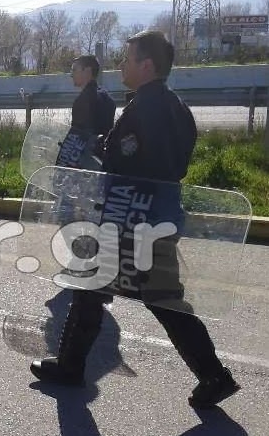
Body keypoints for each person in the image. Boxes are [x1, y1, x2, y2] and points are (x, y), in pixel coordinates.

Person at [29, 31, 240, 410]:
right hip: (157, 215)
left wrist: (102, 156)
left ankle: (72, 366)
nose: (121, 65)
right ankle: (213, 376)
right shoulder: (175, 106)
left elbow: (131, 164)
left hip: (132, 216)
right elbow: (168, 162)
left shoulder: (146, 109)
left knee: (99, 286)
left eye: (127, 59)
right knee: (157, 299)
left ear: (147, 65)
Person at [70, 55, 116, 138]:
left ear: (87, 71)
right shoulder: (108, 98)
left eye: (74, 70)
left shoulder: (82, 101)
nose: (71, 75)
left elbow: (76, 140)